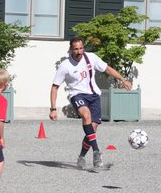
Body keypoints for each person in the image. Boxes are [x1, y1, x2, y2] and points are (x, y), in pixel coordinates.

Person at [49, 36, 132, 169]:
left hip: (94, 96)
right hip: (77, 95)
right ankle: (96, 151)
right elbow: (54, 87)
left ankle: (81, 156)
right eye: (76, 49)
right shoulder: (65, 66)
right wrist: (53, 109)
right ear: (70, 49)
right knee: (86, 115)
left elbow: (108, 69)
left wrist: (123, 80)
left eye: (81, 48)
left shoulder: (91, 57)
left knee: (92, 130)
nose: (79, 51)